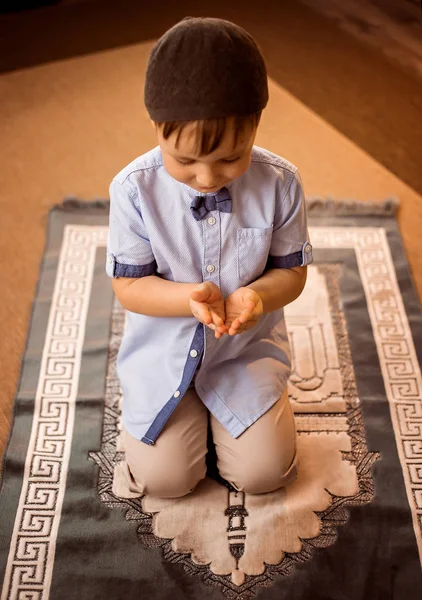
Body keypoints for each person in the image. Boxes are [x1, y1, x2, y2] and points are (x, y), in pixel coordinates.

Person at [106, 17, 313, 499]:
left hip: (244, 354)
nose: (207, 178)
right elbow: (129, 286)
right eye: (185, 162)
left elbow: (293, 274)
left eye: (229, 159)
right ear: (157, 127)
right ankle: (188, 430)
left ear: (256, 125)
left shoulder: (280, 182)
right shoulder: (133, 190)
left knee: (263, 477)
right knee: (167, 482)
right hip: (165, 348)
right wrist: (188, 299)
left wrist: (257, 297)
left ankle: (232, 429)